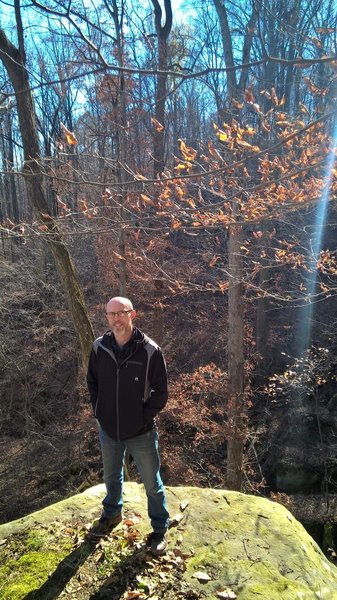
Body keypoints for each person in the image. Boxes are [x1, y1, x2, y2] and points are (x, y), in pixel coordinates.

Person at [86, 296, 170, 556]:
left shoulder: (149, 350)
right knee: (111, 477)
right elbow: (93, 382)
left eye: (121, 313)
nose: (116, 319)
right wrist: (99, 411)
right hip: (109, 430)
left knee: (152, 483)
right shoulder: (100, 347)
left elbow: (161, 392)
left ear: (132, 314)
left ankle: (159, 528)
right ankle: (112, 513)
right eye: (111, 314)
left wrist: (142, 417)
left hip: (141, 432)